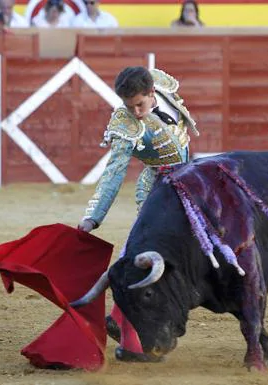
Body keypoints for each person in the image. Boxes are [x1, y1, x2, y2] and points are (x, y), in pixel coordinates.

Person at [77, 66, 199, 362]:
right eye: (129, 106)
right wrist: (93, 216)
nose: (135, 112)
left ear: (151, 92)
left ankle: (120, 319)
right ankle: (130, 331)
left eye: (139, 105)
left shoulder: (162, 84)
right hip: (156, 190)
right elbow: (114, 173)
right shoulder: (125, 123)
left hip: (190, 180)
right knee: (147, 258)